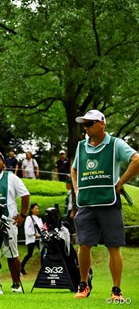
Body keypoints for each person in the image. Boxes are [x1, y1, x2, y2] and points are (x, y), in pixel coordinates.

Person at [71, 109, 139, 300]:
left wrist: (121, 182)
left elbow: (136, 160)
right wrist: (77, 190)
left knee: (113, 245)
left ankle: (116, 290)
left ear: (102, 123)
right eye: (84, 124)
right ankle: (83, 285)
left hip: (109, 202)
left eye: (89, 123)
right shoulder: (80, 146)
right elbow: (74, 169)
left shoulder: (116, 144)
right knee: (83, 245)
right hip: (85, 204)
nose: (85, 127)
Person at [0, 150, 30, 292]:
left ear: (3, 163)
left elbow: (25, 195)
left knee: (12, 253)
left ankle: (16, 284)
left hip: (8, 221)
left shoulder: (11, 177)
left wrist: (22, 215)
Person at [20, 203, 42, 275]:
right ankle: (21, 267)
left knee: (43, 252)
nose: (37, 210)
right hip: (32, 238)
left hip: (39, 239)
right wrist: (34, 234)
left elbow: (41, 228)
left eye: (38, 208)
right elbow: (26, 229)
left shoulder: (39, 219)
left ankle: (43, 268)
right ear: (32, 209)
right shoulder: (29, 218)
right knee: (29, 254)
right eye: (36, 208)